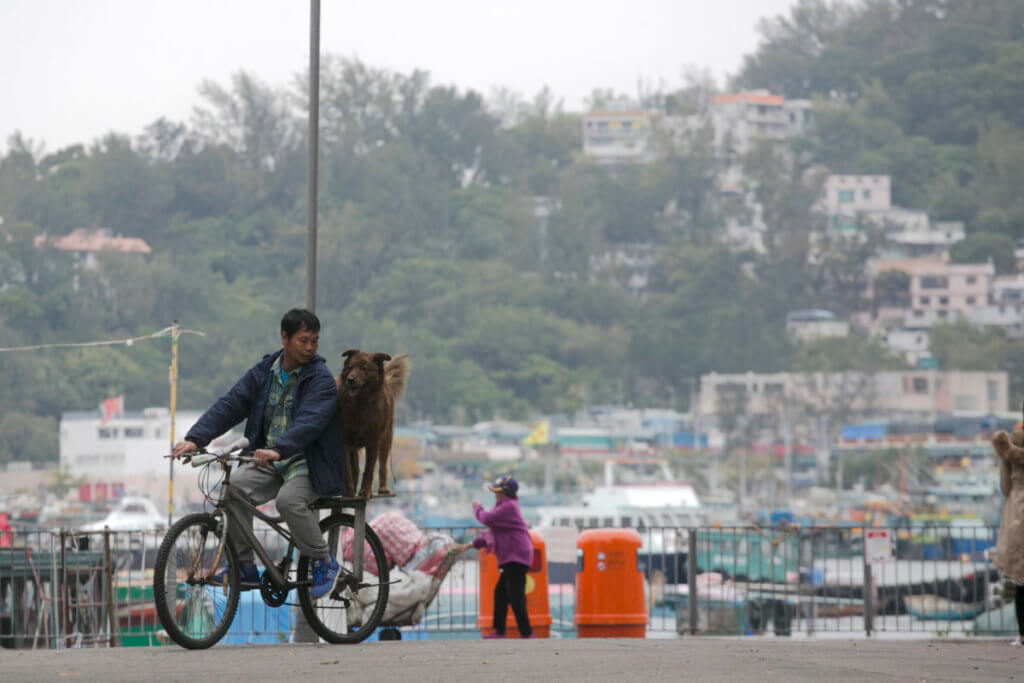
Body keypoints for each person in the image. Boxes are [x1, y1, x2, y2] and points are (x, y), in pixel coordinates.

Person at [171, 308, 345, 599]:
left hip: (307, 461)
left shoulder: (321, 380)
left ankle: (323, 560)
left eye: (314, 341)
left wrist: (280, 449)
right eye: (303, 340)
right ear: (284, 338)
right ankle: (244, 567)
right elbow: (230, 405)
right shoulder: (264, 373)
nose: (310, 347)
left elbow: (310, 423)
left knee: (289, 502)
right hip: (270, 457)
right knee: (234, 488)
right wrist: (195, 439)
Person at [470, 474, 534, 639]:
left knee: (515, 596)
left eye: (498, 492)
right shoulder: (503, 506)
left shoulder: (508, 507)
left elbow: (487, 519)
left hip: (516, 555)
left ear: (506, 493)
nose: (495, 495)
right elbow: (493, 531)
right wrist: (476, 543)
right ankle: (500, 632)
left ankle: (526, 633)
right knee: (500, 594)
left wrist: (477, 508)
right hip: (511, 556)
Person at [992, 423, 1024, 645]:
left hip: (1018, 513)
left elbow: (1004, 488)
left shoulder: (1008, 449)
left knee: (1021, 580)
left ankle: (1023, 634)